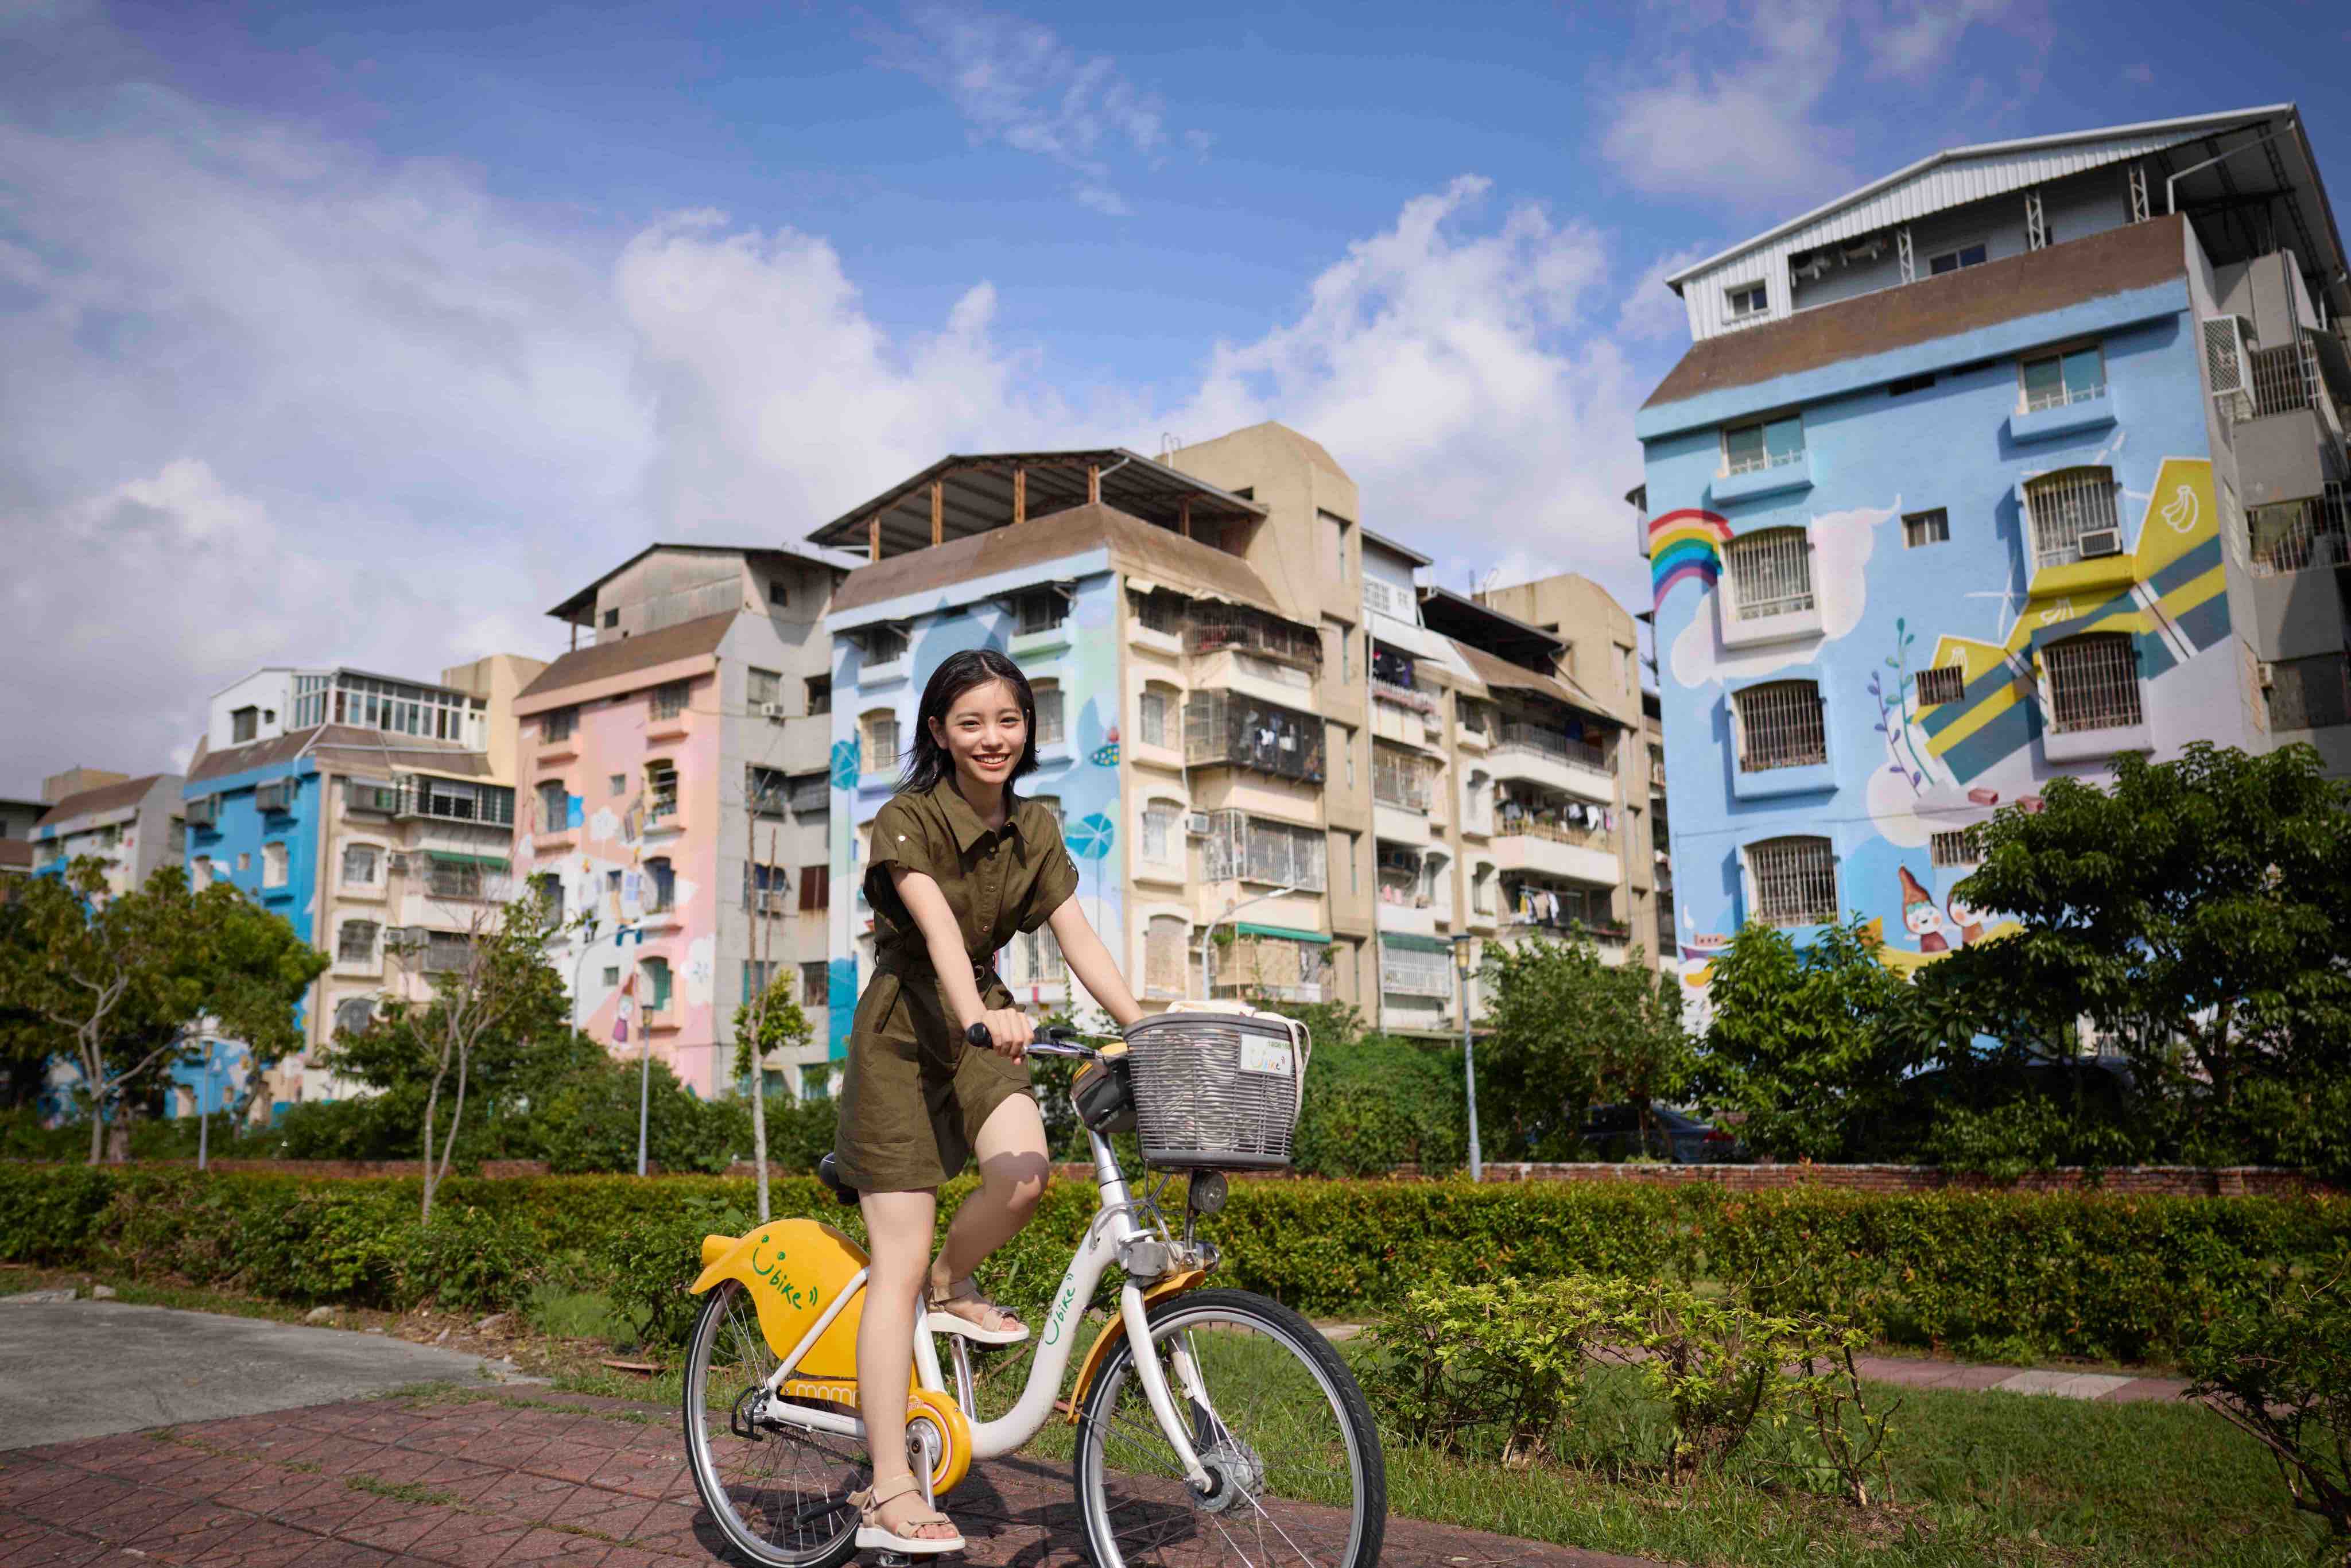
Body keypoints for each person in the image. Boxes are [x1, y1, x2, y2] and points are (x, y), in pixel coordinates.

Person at [833, 647, 1146, 1556]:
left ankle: (949, 1284)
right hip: (906, 1027)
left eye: (1007, 720)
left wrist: (1144, 1025)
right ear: (938, 732)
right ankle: (889, 1483)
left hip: (984, 1018)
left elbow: (1077, 934)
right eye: (970, 722)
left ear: (1027, 728)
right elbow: (932, 924)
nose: (991, 738)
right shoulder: (907, 818)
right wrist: (977, 1014)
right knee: (898, 1252)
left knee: (1024, 1177)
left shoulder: (1037, 828)